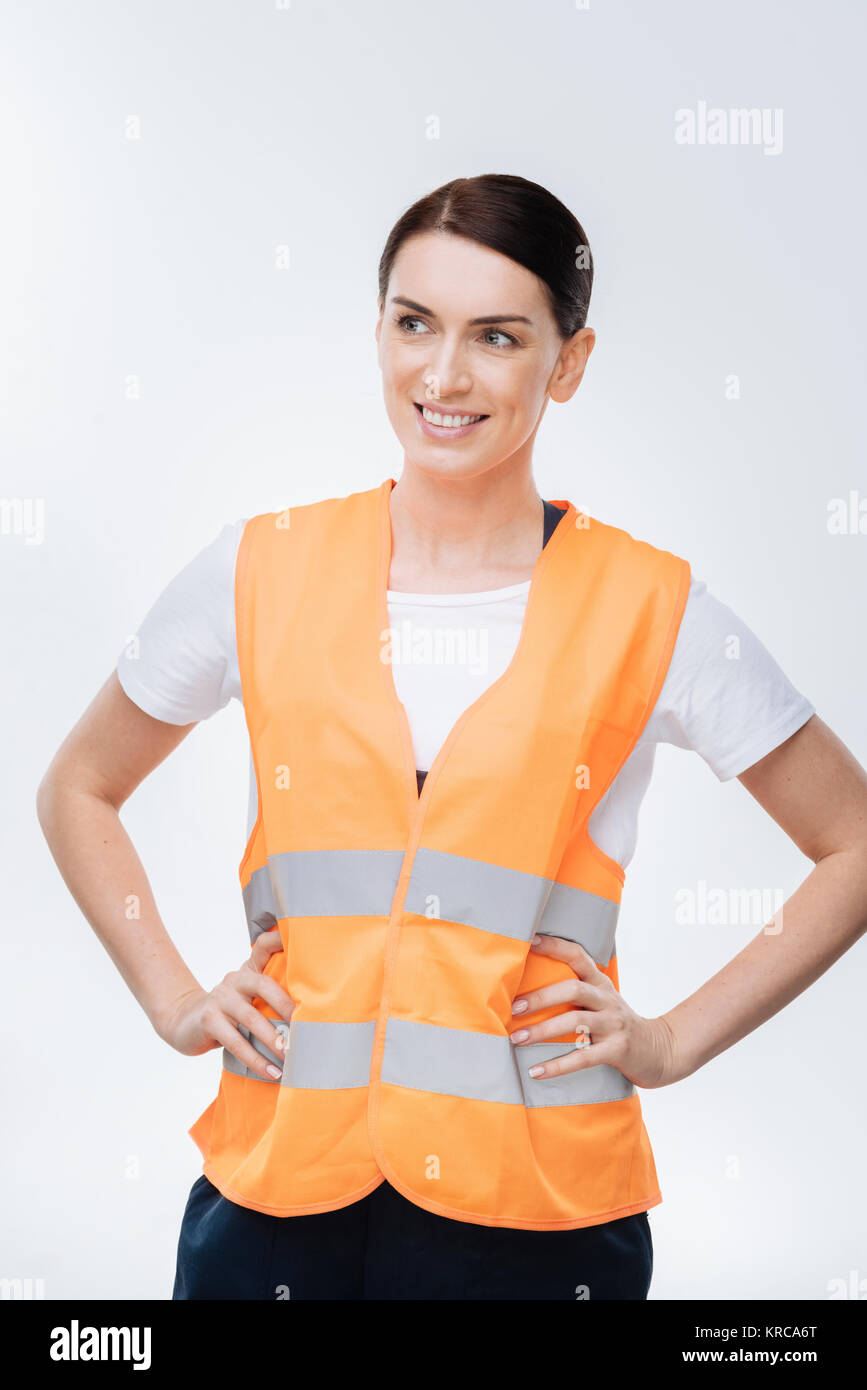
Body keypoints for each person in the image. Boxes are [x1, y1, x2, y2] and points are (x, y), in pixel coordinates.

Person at [36, 175, 867, 1301]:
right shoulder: (259, 567)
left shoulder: (653, 607)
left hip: (534, 1221)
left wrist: (670, 1043)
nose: (443, 375)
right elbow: (79, 784)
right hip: (276, 1204)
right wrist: (174, 996)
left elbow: (852, 842)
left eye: (498, 337)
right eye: (415, 322)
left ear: (567, 364)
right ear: (378, 327)